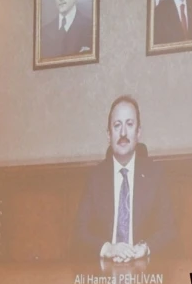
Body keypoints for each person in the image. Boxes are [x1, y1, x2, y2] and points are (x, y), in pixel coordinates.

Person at [74, 95, 177, 262]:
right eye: (117, 125)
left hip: (143, 266)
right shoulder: (95, 177)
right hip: (105, 268)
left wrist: (145, 247)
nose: (123, 133)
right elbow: (79, 233)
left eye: (129, 124)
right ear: (109, 135)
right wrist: (107, 248)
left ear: (138, 133)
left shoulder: (156, 174)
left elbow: (169, 230)